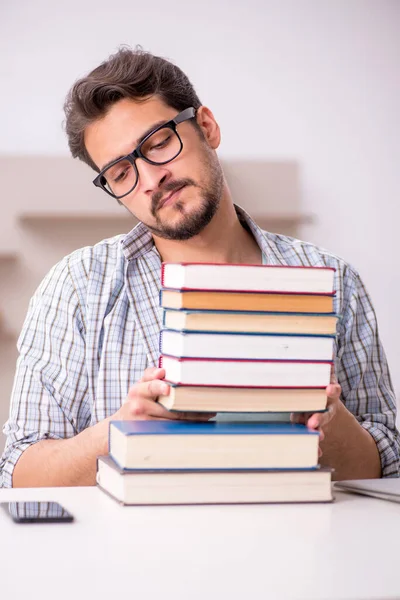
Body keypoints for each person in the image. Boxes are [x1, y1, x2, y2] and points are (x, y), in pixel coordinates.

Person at [1, 47, 398, 488]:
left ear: (206, 127)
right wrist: (119, 431)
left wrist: (329, 421)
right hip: (133, 554)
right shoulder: (77, 285)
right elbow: (17, 471)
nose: (151, 179)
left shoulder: (335, 281)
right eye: (120, 173)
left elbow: (388, 464)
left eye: (158, 144)